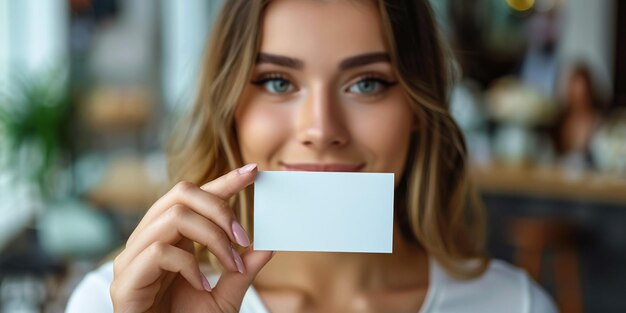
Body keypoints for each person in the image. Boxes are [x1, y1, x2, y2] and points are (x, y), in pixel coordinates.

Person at [66, 0, 558, 312]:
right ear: (229, 109)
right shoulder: (117, 302)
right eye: (278, 82)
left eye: (367, 83)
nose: (321, 130)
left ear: (418, 108)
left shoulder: (514, 305)